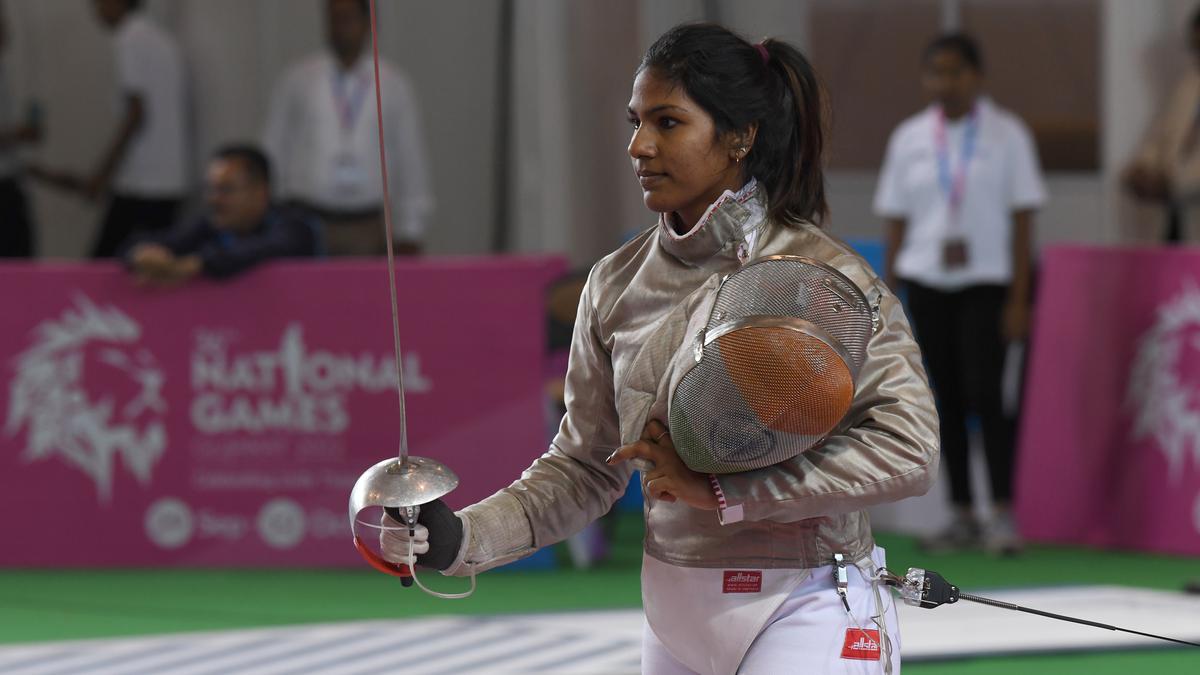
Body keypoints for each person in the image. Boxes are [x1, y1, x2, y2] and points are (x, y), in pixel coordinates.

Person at [381, 23, 939, 674]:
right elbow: (586, 466)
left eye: (667, 123)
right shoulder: (614, 284)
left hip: (810, 599)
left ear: (739, 137)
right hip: (673, 615)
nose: (638, 145)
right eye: (635, 121)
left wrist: (732, 494)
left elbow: (908, 447)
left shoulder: (827, 277)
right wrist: (462, 537)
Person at [874, 33, 1046, 556]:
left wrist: (1020, 298)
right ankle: (963, 512)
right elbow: (897, 221)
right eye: (936, 72)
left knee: (987, 395)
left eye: (955, 71)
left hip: (988, 283)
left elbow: (1023, 221)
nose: (945, 82)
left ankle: (1001, 511)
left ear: (977, 76)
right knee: (943, 397)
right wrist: (890, 296)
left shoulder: (1007, 135)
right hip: (928, 281)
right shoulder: (909, 138)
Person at [263, 0, 432, 256]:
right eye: (333, 20)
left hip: (367, 221)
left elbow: (410, 159)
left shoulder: (393, 84)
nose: (339, 28)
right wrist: (270, 215)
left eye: (347, 19)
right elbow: (274, 148)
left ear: (368, 24)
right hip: (307, 218)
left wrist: (411, 229)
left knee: (365, 296)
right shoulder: (299, 80)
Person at [33, 0, 188, 258]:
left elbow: (135, 113)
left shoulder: (130, 38)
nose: (95, 10)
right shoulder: (158, 37)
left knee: (103, 268)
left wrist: (102, 175)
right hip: (167, 179)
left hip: (144, 184)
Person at [123, 145, 320, 285]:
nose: (214, 200)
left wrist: (197, 264)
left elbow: (262, 249)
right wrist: (141, 254)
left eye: (226, 190)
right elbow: (140, 243)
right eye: (210, 189)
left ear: (261, 192)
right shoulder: (210, 226)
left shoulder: (295, 226)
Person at [1123, 6, 1200, 242]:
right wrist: (1142, 168)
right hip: (1176, 221)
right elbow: (1161, 136)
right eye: (1195, 46)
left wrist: (1171, 183)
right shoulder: (1188, 85)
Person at [0, 2, 41, 258]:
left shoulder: (4, 70)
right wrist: (18, 134)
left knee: (22, 260)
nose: (6, 28)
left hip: (10, 182)